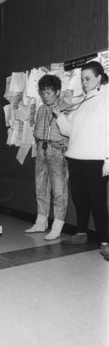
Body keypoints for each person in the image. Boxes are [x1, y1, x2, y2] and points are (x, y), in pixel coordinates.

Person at [53, 61, 109, 261]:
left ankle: (105, 242)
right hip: (75, 157)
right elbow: (69, 131)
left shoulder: (106, 98)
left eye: (87, 79)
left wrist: (108, 160)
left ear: (99, 78)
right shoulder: (84, 100)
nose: (84, 83)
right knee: (80, 199)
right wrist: (59, 116)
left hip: (96, 159)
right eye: (82, 79)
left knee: (98, 202)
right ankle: (81, 233)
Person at [25, 75, 69, 240]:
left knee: (59, 190)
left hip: (58, 151)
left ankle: (57, 225)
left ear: (57, 92)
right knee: (40, 187)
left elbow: (70, 131)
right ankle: (41, 221)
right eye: (43, 92)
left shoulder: (66, 107)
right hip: (41, 149)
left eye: (49, 92)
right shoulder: (41, 109)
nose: (45, 95)